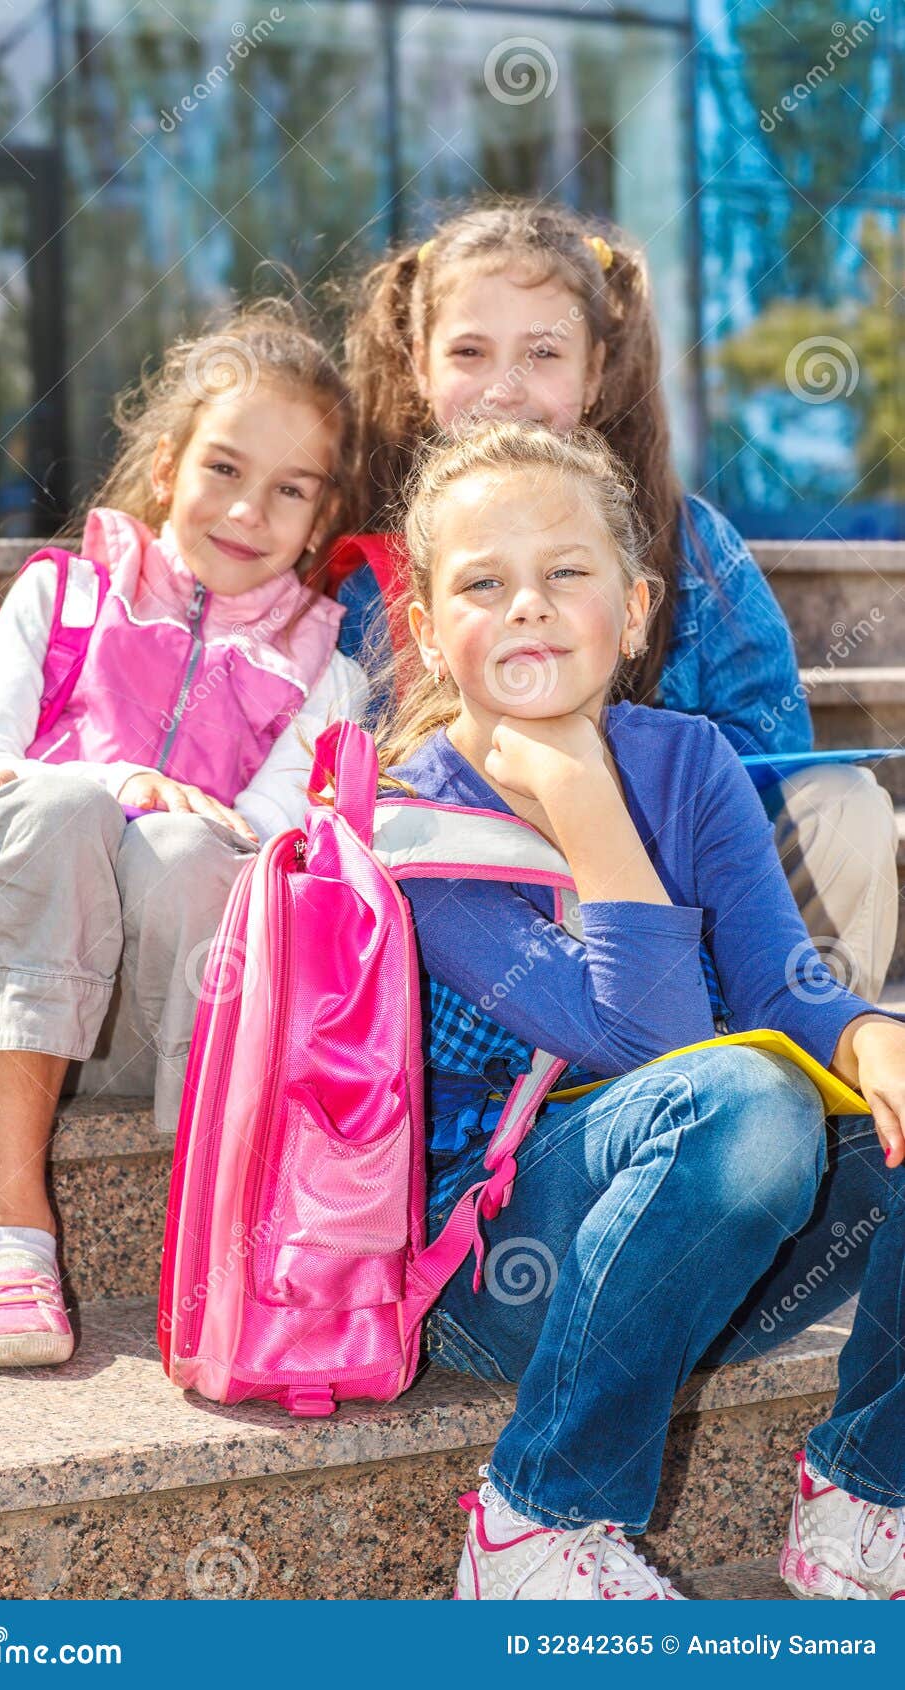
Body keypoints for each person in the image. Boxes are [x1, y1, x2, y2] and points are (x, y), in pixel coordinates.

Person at [375, 418, 904, 1600]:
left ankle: (867, 1501)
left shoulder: (688, 758)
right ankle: (535, 1522)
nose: (527, 605)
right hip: (499, 1273)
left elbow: (778, 985)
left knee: (825, 1093)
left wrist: (872, 1034)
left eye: (566, 572)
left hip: (705, 1246)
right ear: (423, 631)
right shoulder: (412, 825)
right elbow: (649, 1048)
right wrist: (574, 791)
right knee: (746, 1099)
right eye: (482, 582)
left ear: (633, 607)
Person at [0, 305, 368, 1370]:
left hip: (156, 1024)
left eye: (290, 489)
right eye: (223, 467)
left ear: (320, 517)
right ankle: (12, 1232)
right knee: (60, 808)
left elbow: (270, 854)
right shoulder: (59, 594)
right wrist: (121, 779)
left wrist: (162, 817)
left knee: (197, 855)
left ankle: (207, 1225)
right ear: (166, 468)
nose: (248, 509)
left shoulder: (328, 672)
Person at [337, 200, 897, 1004]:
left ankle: (813, 1054)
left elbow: (768, 735)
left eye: (542, 352)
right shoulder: (383, 575)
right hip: (496, 907)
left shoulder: (688, 543)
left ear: (595, 371)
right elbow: (368, 782)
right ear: (419, 367)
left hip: (692, 876)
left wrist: (606, 785)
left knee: (842, 808)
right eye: (469, 350)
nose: (505, 386)